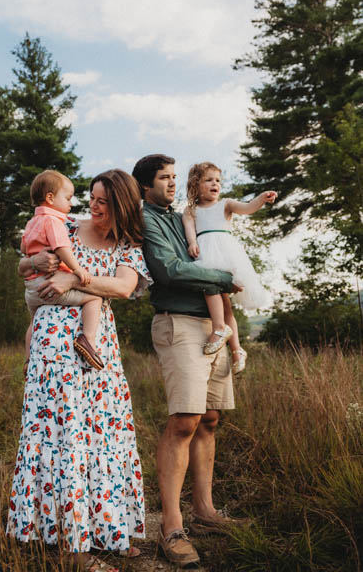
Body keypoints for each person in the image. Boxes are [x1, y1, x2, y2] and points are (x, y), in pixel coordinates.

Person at [8, 169, 152, 572]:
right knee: (64, 435)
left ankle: (109, 529)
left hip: (95, 344)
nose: (93, 205)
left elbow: (123, 288)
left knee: (103, 434)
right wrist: (33, 261)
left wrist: (73, 276)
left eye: (103, 200)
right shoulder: (64, 223)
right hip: (53, 340)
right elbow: (26, 267)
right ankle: (73, 546)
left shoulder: (129, 245)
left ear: (121, 205)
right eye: (91, 196)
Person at [132, 154, 249, 569]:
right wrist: (222, 278)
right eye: (163, 177)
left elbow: (215, 242)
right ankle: (172, 527)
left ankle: (205, 511)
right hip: (177, 323)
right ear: (145, 184)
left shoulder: (186, 214)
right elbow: (169, 270)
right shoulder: (147, 219)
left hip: (212, 324)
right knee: (184, 419)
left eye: (173, 177)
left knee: (211, 418)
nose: (171, 182)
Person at [183, 162, 276, 373]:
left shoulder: (226, 204)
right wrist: (192, 243)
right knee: (221, 300)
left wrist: (261, 199)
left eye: (217, 180)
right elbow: (189, 229)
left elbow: (247, 208)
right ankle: (236, 346)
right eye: (209, 180)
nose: (215, 184)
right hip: (205, 252)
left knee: (216, 293)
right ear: (196, 185)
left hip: (225, 253)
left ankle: (226, 337)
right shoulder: (191, 210)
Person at [22, 169, 104, 370]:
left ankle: (27, 359)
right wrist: (77, 270)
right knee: (94, 298)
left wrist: (33, 260)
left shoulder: (32, 222)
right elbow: (62, 248)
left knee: (34, 320)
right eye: (68, 198)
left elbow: (24, 251)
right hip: (49, 284)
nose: (71, 203)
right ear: (50, 198)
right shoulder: (54, 221)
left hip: (31, 288)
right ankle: (88, 340)